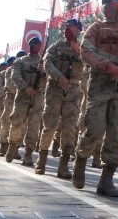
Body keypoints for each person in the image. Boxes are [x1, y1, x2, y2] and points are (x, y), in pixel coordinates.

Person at [71, 0, 118, 197]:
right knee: (94, 127)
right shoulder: (95, 28)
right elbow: (85, 52)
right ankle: (81, 159)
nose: (109, 8)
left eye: (113, 5)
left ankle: (106, 180)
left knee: (116, 132)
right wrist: (106, 64)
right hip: (100, 84)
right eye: (106, 5)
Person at [37, 19, 85, 179]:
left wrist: (80, 53)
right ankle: (41, 161)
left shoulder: (83, 49)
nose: (69, 30)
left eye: (72, 28)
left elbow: (91, 66)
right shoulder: (56, 47)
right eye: (67, 27)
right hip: (55, 89)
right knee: (49, 125)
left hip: (73, 92)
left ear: (78, 31)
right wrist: (58, 76)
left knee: (69, 128)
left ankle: (63, 166)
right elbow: (47, 63)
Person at [6, 36, 45, 166]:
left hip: (37, 97)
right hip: (22, 96)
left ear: (40, 46)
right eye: (32, 44)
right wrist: (25, 87)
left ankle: (28, 154)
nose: (34, 46)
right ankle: (12, 145)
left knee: (33, 126)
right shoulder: (20, 61)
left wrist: (44, 71)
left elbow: (50, 79)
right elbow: (15, 76)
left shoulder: (43, 62)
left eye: (36, 44)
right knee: (17, 122)